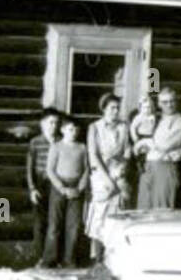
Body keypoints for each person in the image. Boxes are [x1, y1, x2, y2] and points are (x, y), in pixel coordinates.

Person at [85, 93, 133, 263]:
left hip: (118, 174)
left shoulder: (123, 127)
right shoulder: (95, 127)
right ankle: (96, 260)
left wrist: (122, 169)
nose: (115, 111)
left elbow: (127, 149)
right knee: (99, 218)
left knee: (117, 216)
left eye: (117, 108)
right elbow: (93, 154)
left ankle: (112, 259)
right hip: (101, 176)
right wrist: (106, 179)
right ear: (104, 109)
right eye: (112, 108)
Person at [40, 115, 89, 268]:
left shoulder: (82, 147)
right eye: (70, 129)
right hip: (59, 186)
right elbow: (50, 169)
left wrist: (80, 188)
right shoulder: (57, 147)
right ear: (62, 130)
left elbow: (87, 169)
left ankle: (69, 260)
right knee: (54, 225)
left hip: (76, 188)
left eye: (76, 129)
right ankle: (50, 259)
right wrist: (61, 188)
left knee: (73, 226)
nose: (73, 132)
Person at [137, 86, 181, 210]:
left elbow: (164, 145)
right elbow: (139, 141)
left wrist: (146, 142)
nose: (169, 105)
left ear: (176, 102)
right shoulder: (155, 119)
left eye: (172, 101)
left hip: (165, 167)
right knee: (143, 209)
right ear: (159, 104)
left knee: (161, 210)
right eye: (165, 102)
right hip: (147, 167)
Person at [25, 107, 60, 266]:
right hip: (41, 183)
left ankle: (52, 257)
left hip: (57, 184)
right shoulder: (36, 142)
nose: (54, 126)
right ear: (43, 124)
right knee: (40, 222)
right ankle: (39, 257)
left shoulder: (61, 141)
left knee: (55, 221)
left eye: (56, 123)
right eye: (50, 122)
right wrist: (32, 188)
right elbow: (30, 167)